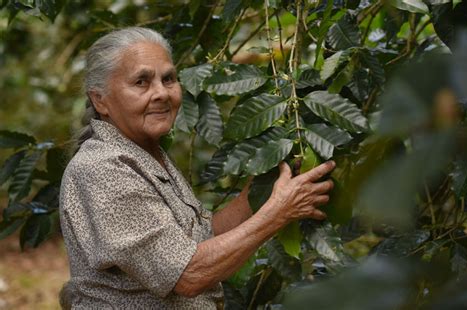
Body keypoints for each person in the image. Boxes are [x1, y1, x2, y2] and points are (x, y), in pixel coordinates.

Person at [59, 27, 335, 309]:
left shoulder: (145, 154)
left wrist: (260, 192)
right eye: (141, 82)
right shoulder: (103, 169)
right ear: (100, 100)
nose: (161, 93)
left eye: (168, 79)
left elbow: (203, 238)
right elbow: (187, 273)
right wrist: (278, 213)